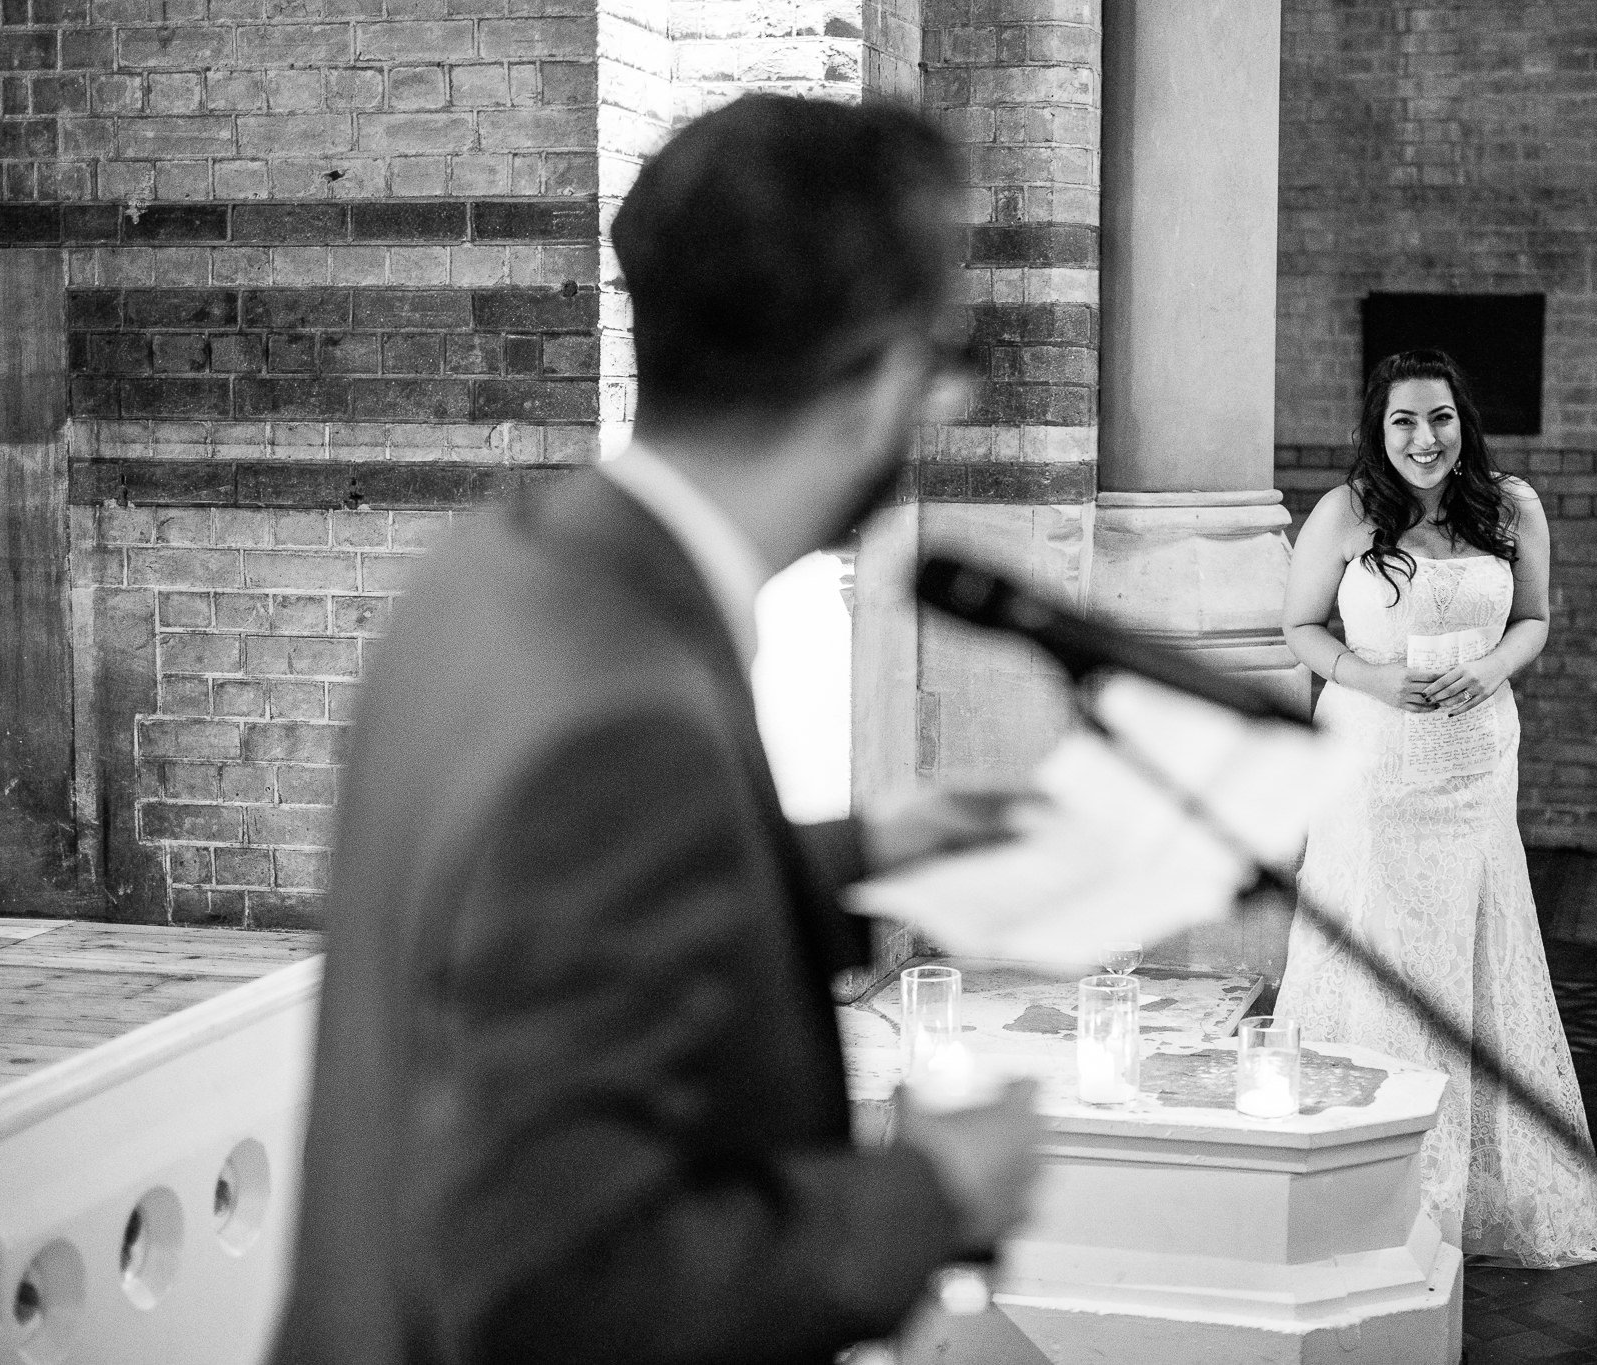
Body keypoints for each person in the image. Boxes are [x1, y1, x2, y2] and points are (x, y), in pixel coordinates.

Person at [271, 96, 1044, 1365]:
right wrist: (933, 1197)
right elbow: (558, 1294)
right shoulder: (628, 732)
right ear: (881, 377)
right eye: (941, 362)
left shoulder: (493, 563)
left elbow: (529, 931)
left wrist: (854, 856)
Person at [1273, 350, 1597, 1267]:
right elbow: (1301, 626)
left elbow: (1535, 619)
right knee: (1381, 941)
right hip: (1373, 754)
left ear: (1462, 421)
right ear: (1377, 429)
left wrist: (1490, 668)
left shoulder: (1513, 506)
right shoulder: (1345, 512)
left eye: (1439, 418)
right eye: (1402, 422)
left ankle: (1476, 1187)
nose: (1423, 439)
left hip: (1475, 752)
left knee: (1473, 942)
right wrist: (1373, 677)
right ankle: (1362, 1179)